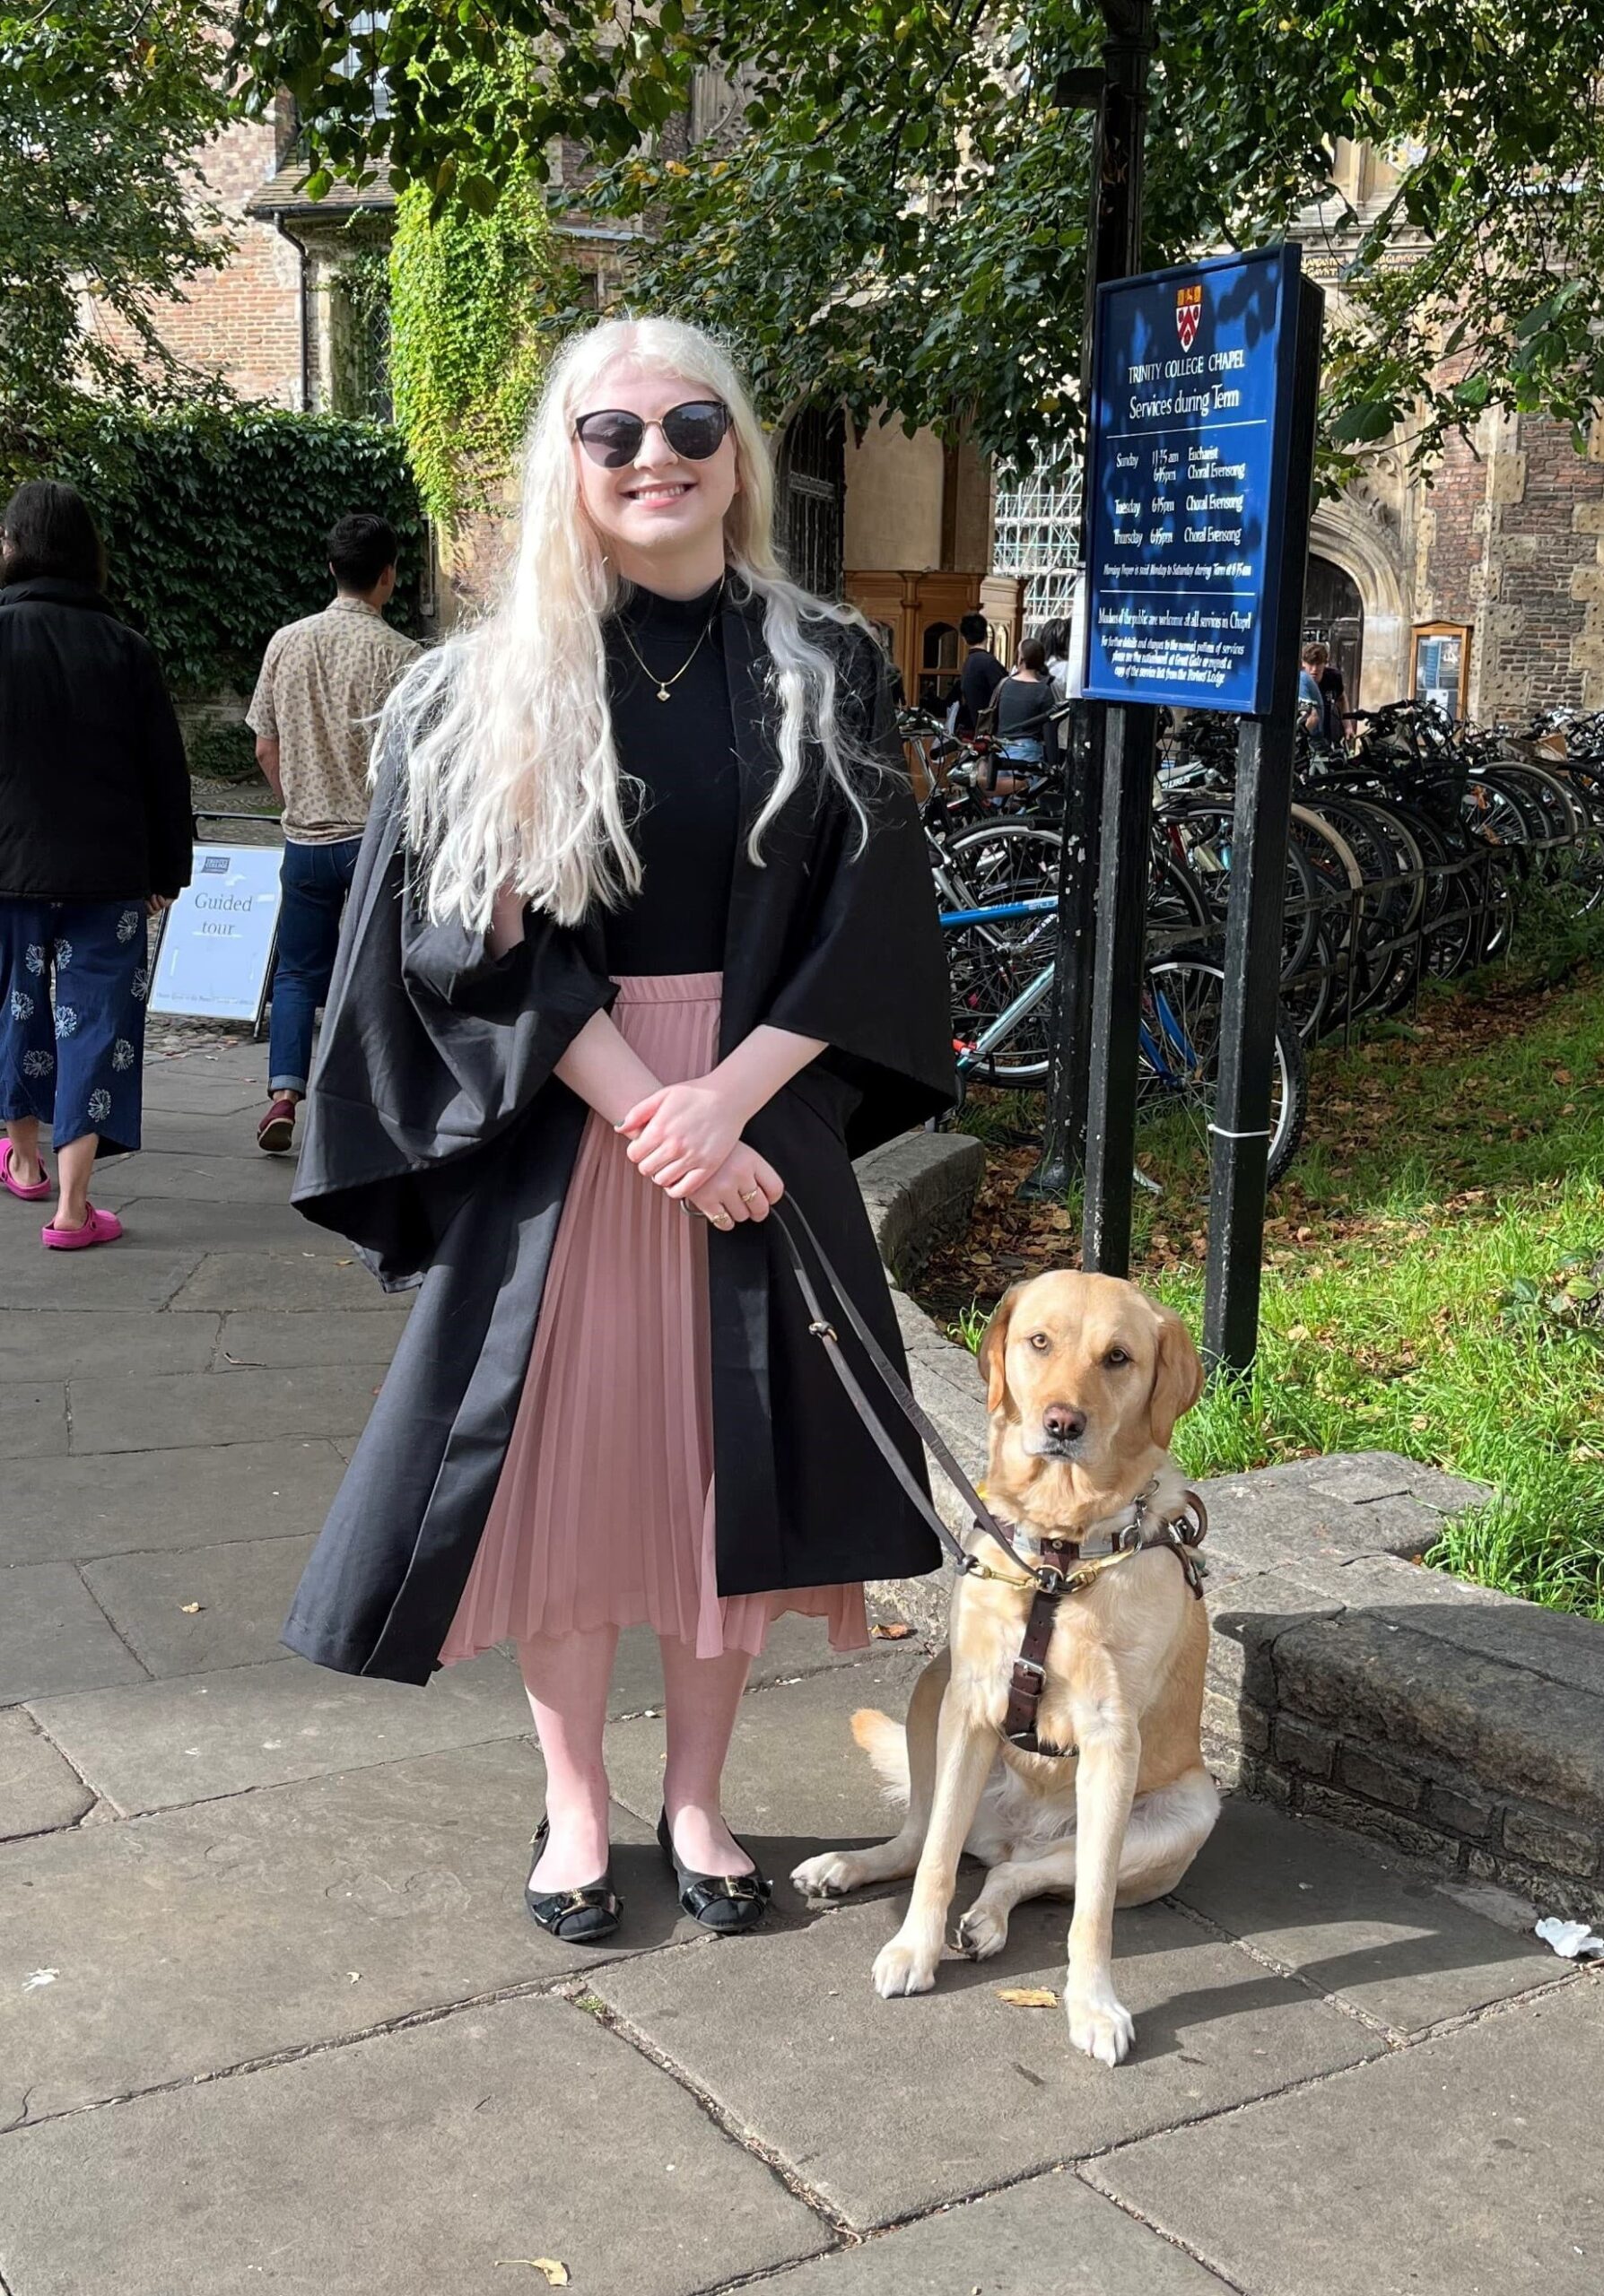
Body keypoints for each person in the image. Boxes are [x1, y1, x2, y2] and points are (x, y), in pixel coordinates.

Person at [281, 317, 955, 1944]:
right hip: (573, 1112)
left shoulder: (826, 663)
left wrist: (728, 1103)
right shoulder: (476, 688)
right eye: (612, 433)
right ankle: (577, 1805)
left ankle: (698, 1801)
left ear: (735, 448)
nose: (655, 454)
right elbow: (457, 945)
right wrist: (656, 1109)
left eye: (690, 422)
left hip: (757, 1106)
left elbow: (869, 924)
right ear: (565, 467)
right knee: (573, 1493)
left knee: (733, 1482)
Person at [0, 481, 193, 1248]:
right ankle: (74, 1210)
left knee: (11, 1006)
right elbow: (164, 772)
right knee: (98, 1027)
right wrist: (168, 872)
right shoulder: (127, 649)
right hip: (110, 872)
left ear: (14, 545)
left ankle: (22, 1159)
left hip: (7, 871)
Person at [247, 512, 419, 1153]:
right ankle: (373, 1106)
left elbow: (267, 745)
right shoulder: (403, 657)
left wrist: (296, 800)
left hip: (306, 840)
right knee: (379, 972)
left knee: (296, 974)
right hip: (375, 845)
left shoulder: (285, 643)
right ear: (387, 577)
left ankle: (285, 1093)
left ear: (330, 570)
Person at [990, 636, 1061, 780]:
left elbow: (993, 717)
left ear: (1020, 659)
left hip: (1000, 750)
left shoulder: (1004, 684)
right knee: (1025, 799)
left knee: (998, 801)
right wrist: (1054, 765)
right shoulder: (1043, 690)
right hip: (1027, 752)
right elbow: (1049, 730)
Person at [953, 610, 1005, 736]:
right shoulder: (989, 663)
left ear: (964, 639)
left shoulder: (968, 663)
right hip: (992, 731)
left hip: (977, 729)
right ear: (986, 635)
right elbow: (1005, 693)